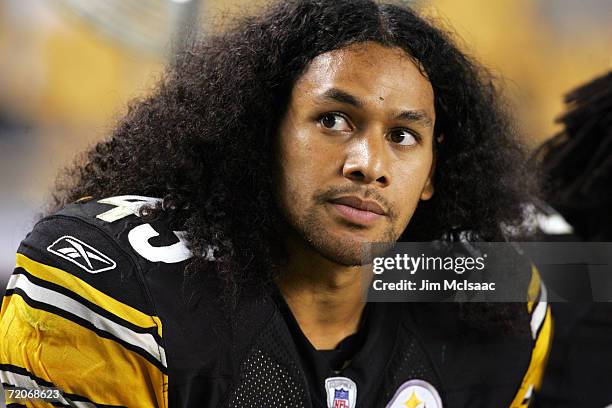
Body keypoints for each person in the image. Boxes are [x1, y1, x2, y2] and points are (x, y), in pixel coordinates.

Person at [0, 1, 552, 407]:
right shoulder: (113, 280)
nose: (368, 163)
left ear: (434, 170)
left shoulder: (491, 299)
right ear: (262, 135)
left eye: (403, 136)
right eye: (333, 121)